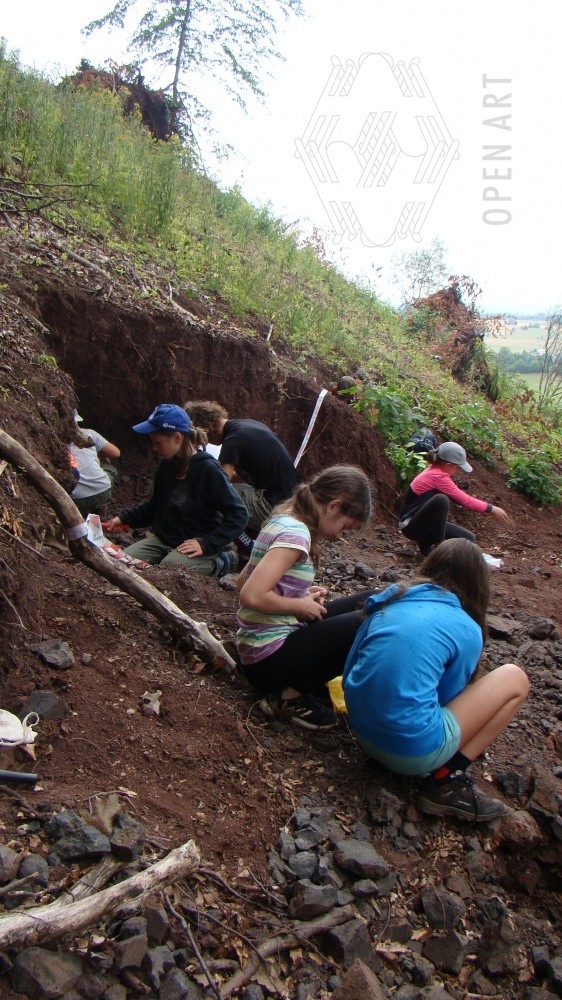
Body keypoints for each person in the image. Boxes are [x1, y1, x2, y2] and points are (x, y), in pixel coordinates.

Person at [343, 538, 530, 822]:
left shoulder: (392, 599)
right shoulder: (467, 627)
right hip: (410, 753)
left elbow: (350, 667)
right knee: (515, 678)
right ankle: (445, 779)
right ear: (478, 583)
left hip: (360, 730)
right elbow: (448, 697)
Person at [236, 465, 374, 731]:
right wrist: (299, 605)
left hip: (261, 646)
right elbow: (250, 594)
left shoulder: (284, 517)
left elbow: (245, 578)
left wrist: (299, 594)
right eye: (344, 527)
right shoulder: (296, 534)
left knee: (372, 601)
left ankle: (300, 681)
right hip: (266, 659)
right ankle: (287, 697)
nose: (338, 536)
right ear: (334, 506)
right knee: (368, 621)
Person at [106, 404, 248, 576]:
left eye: (157, 442)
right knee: (121, 560)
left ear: (177, 437)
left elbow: (239, 514)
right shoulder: (167, 465)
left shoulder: (209, 469)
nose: (154, 448)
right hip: (164, 540)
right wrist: (123, 518)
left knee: (170, 569)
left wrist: (207, 543)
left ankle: (223, 562)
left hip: (196, 543)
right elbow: (155, 506)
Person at [182, 400, 299, 535]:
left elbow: (220, 485)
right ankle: (245, 540)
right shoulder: (248, 425)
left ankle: (214, 540)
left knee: (211, 499)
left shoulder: (233, 441)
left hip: (276, 506)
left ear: (205, 429)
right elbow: (241, 476)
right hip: (292, 501)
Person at [398, 441, 509, 556]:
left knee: (469, 538)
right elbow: (466, 501)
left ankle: (426, 545)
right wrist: (491, 509)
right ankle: (440, 550)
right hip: (410, 526)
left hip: (420, 523)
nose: (457, 471)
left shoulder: (434, 470)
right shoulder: (438, 477)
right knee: (441, 500)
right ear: (448, 465)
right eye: (457, 467)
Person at [69, 413, 121, 517]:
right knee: (107, 463)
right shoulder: (89, 433)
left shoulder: (54, 441)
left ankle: (83, 514)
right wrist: (97, 454)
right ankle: (101, 509)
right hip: (102, 491)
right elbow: (116, 453)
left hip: (74, 500)